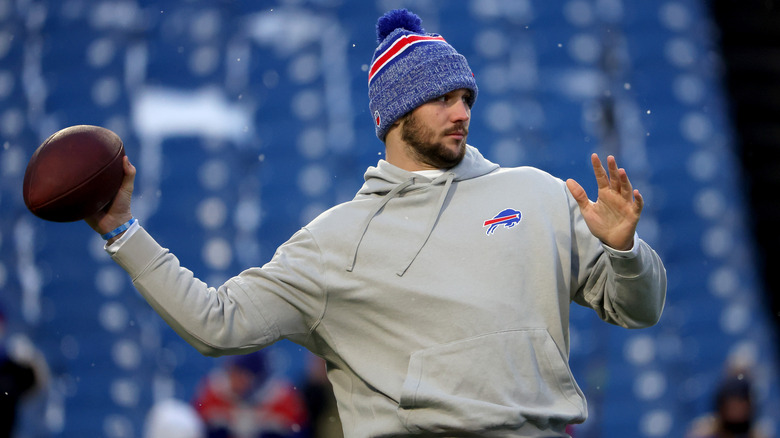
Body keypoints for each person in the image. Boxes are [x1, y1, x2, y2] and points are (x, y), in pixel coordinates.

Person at [85, 9, 666, 437]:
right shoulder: (335, 242)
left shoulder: (538, 193)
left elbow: (640, 311)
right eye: (442, 97)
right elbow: (216, 323)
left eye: (466, 96)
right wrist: (123, 232)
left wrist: (626, 254)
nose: (461, 111)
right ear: (393, 114)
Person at [191, 350, 308, 438]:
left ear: (257, 377)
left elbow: (301, 431)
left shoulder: (282, 397)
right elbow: (193, 426)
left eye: (240, 374)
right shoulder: (213, 391)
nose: (233, 379)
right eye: (231, 372)